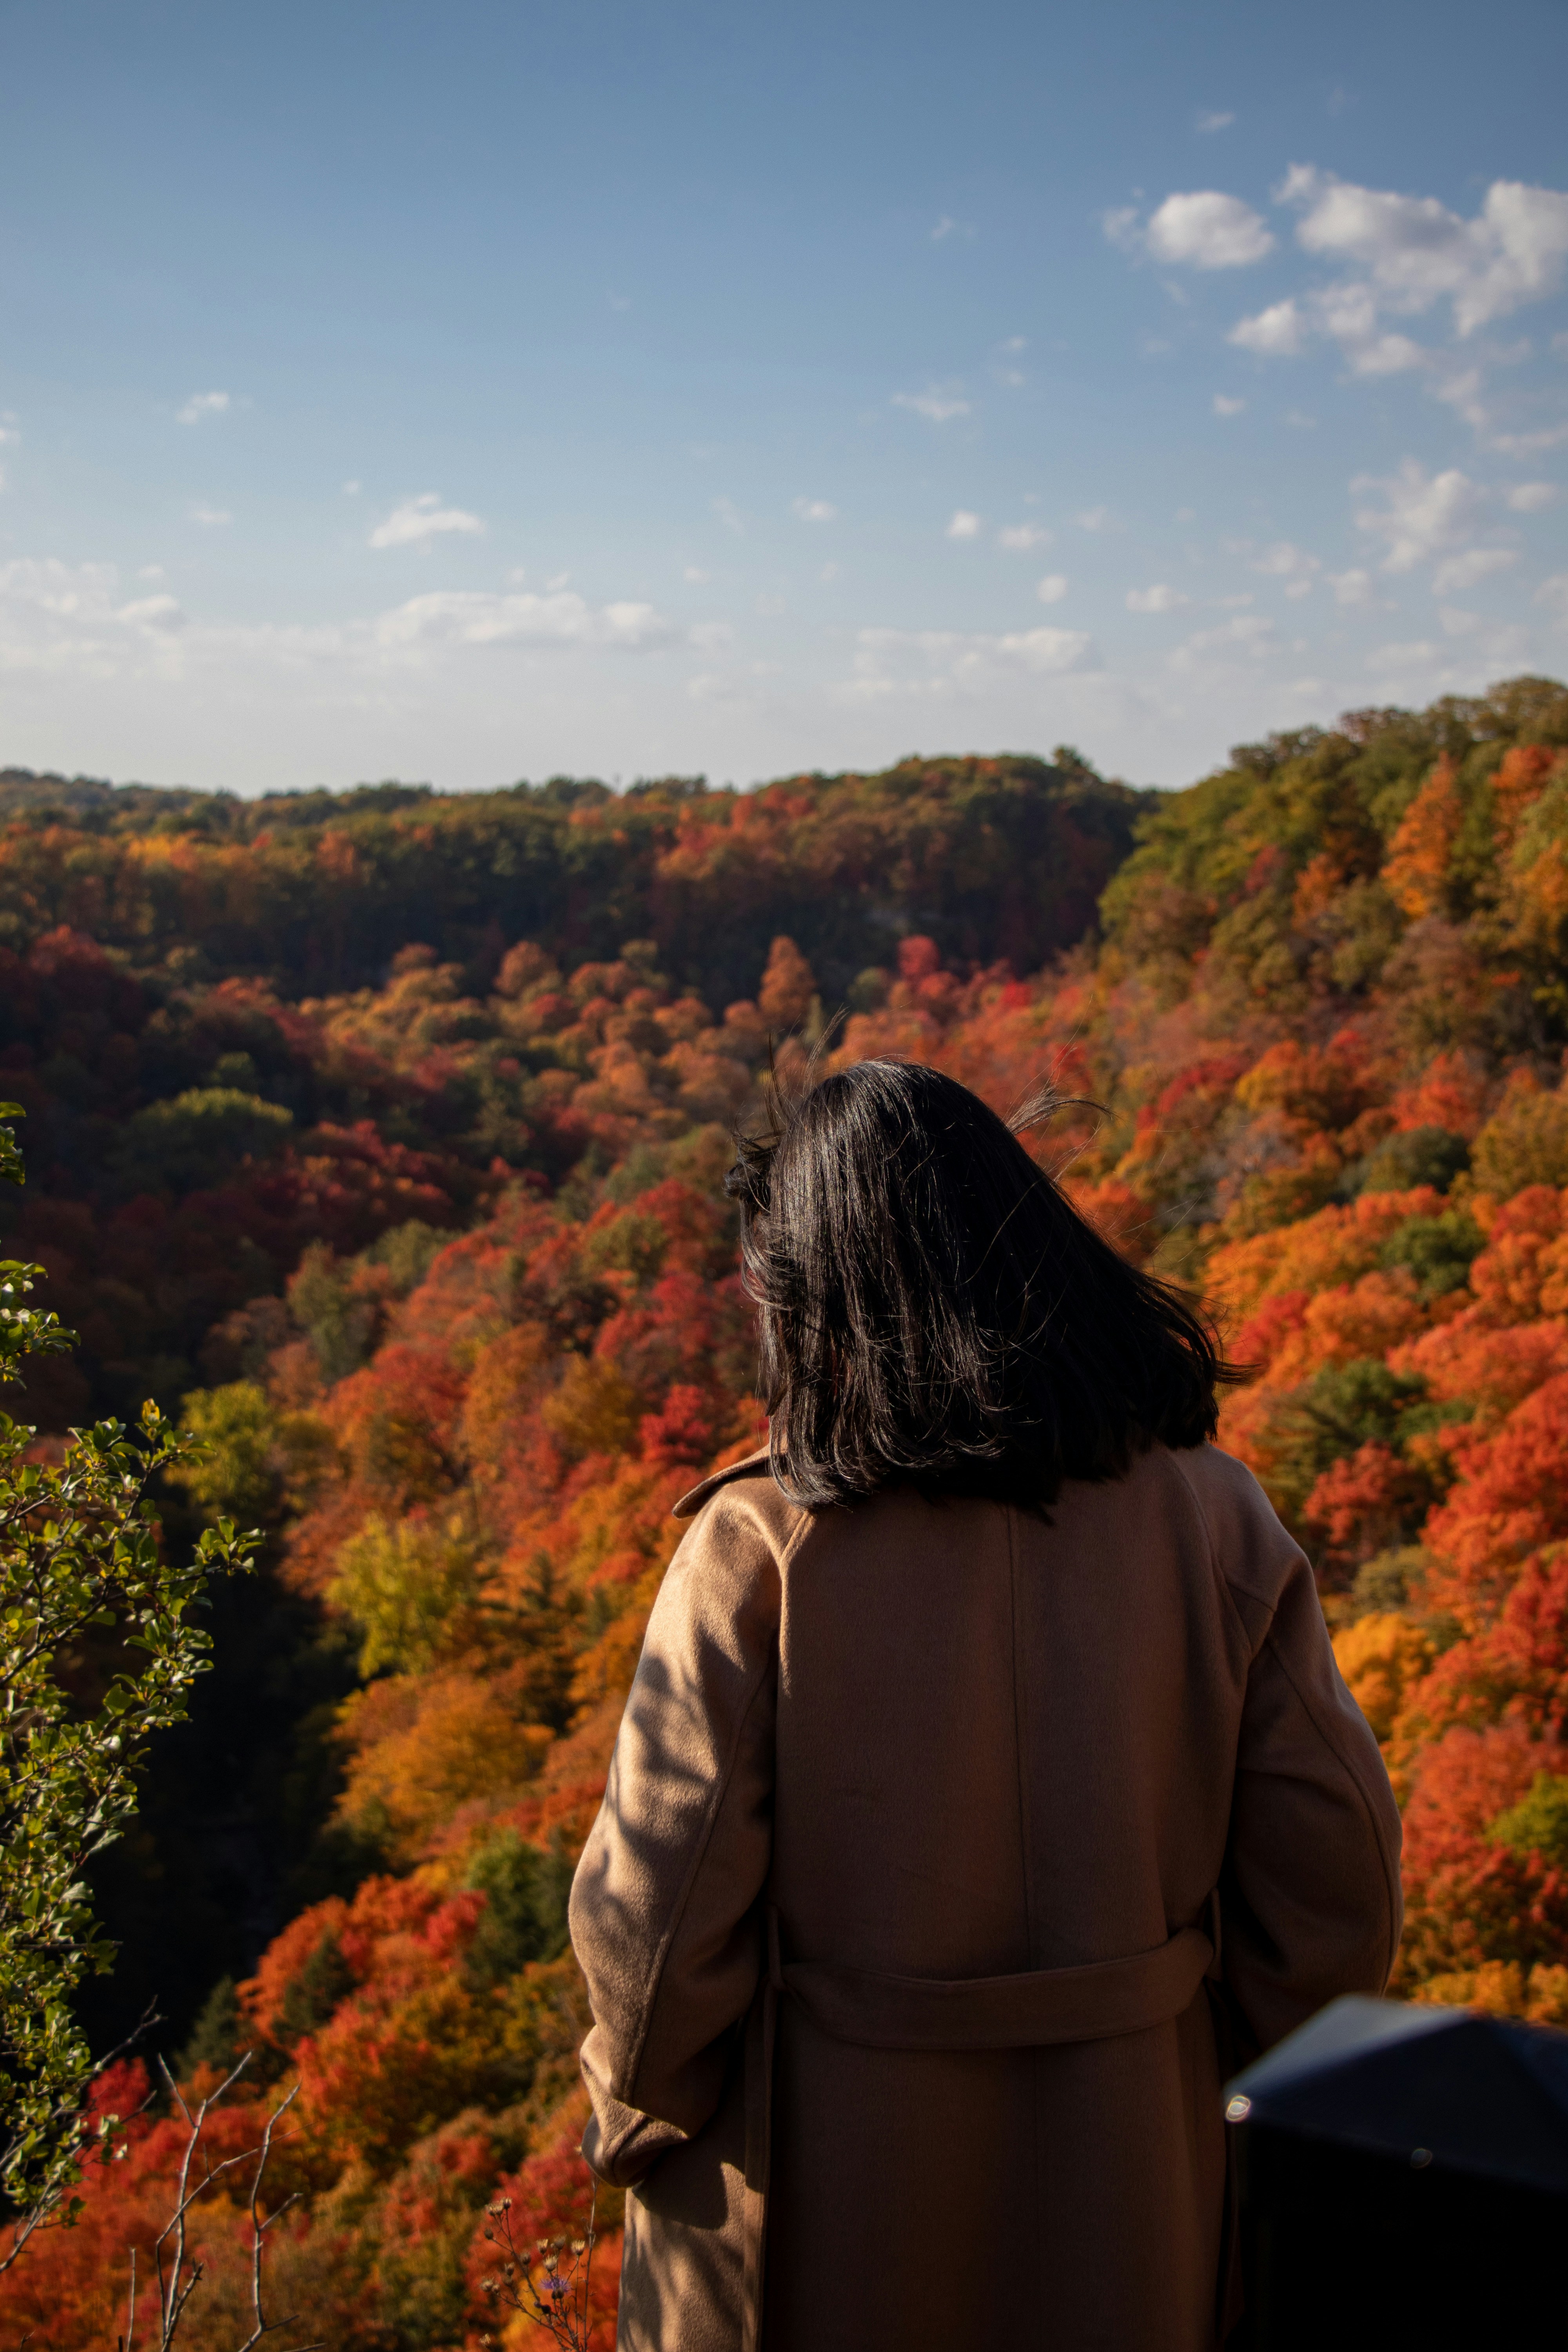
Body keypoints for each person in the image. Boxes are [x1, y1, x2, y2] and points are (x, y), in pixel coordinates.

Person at [568, 1060, 1401, 2352]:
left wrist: (638, 2112)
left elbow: (653, 1922)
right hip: (1142, 2180)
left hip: (827, 2188)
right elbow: (1335, 1877)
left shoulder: (763, 1548)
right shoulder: (1213, 1516)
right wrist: (1229, 2084)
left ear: (814, 1295)